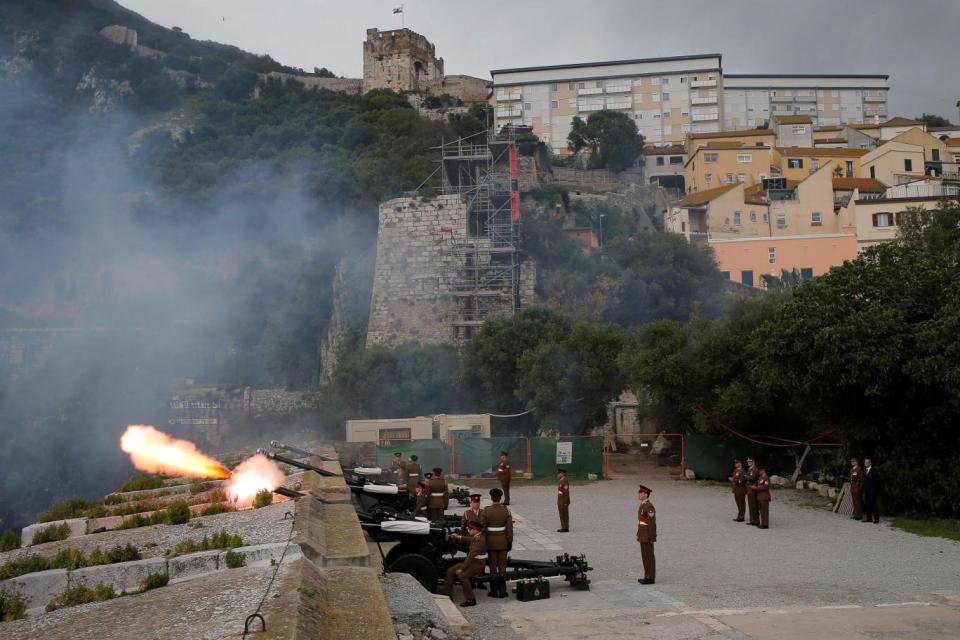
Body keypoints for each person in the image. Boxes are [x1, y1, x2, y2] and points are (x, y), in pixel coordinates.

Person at [438, 520, 487, 607]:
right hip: (473, 562)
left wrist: (461, 569)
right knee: (451, 570)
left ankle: (471, 599)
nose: (468, 530)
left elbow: (470, 556)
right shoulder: (477, 536)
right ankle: (446, 593)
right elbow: (470, 539)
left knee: (462, 576)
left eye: (470, 529)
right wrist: (458, 537)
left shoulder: (479, 540)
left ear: (475, 530)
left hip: (477, 564)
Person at [480, 487, 513, 598]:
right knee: (503, 567)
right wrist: (510, 541)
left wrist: (484, 543)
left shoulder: (486, 511)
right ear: (500, 498)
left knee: (493, 567)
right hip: (503, 542)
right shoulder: (505, 511)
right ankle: (503, 591)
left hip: (491, 543)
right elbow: (509, 528)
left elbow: (483, 529)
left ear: (491, 498)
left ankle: (494, 591)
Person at [636, 484, 657, 585]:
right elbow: (640, 521)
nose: (639, 494)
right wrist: (638, 533)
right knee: (645, 555)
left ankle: (650, 577)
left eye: (640, 493)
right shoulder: (643, 505)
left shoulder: (649, 506)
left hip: (648, 534)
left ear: (645, 494)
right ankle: (647, 575)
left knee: (649, 555)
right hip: (643, 534)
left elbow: (652, 523)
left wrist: (652, 536)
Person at [862, 457, 880, 524]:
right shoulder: (864, 471)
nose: (865, 463)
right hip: (866, 490)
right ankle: (869, 518)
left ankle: (876, 519)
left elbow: (877, 481)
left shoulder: (874, 470)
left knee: (874, 504)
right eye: (865, 462)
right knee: (867, 504)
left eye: (867, 462)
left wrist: (874, 489)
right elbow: (864, 481)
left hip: (872, 490)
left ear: (870, 463)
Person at [745, 457, 759, 526]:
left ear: (753, 462)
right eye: (748, 461)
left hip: (752, 488)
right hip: (749, 488)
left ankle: (755, 521)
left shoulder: (754, 469)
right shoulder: (750, 469)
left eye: (750, 461)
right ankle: (752, 520)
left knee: (753, 504)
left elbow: (752, 477)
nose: (748, 463)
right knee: (751, 504)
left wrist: (745, 476)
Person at [556, 468, 571, 532]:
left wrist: (565, 501)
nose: (557, 475)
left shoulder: (564, 480)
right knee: (562, 514)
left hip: (563, 500)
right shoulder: (561, 480)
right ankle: (563, 527)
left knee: (564, 514)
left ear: (562, 473)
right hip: (560, 499)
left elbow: (566, 491)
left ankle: (565, 528)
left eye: (558, 473)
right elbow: (560, 491)